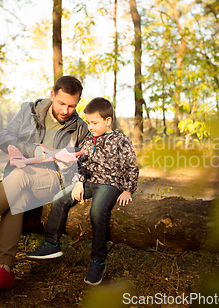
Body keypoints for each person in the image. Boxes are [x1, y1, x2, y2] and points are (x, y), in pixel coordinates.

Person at [0, 76, 89, 297]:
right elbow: (4, 138)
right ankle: (3, 271)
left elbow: (86, 161)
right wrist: (31, 150)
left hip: (54, 181)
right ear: (52, 96)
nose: (66, 110)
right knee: (17, 199)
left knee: (20, 177)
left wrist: (66, 162)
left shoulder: (80, 127)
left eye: (72, 105)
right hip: (21, 175)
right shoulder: (29, 111)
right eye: (62, 103)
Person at [26, 97, 139, 285]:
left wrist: (128, 190)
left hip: (110, 184)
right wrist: (78, 183)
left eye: (94, 123)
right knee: (60, 198)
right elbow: (82, 164)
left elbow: (131, 166)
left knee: (97, 211)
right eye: (88, 122)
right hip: (89, 182)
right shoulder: (88, 140)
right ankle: (51, 243)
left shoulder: (120, 140)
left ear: (108, 121)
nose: (90, 126)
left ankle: (97, 260)